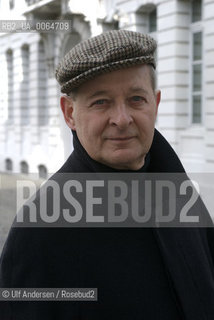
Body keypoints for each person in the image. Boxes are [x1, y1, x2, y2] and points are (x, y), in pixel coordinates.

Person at [0, 29, 214, 319]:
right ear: (69, 113)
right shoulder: (39, 229)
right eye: (101, 102)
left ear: (156, 103)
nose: (122, 119)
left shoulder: (182, 196)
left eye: (137, 99)